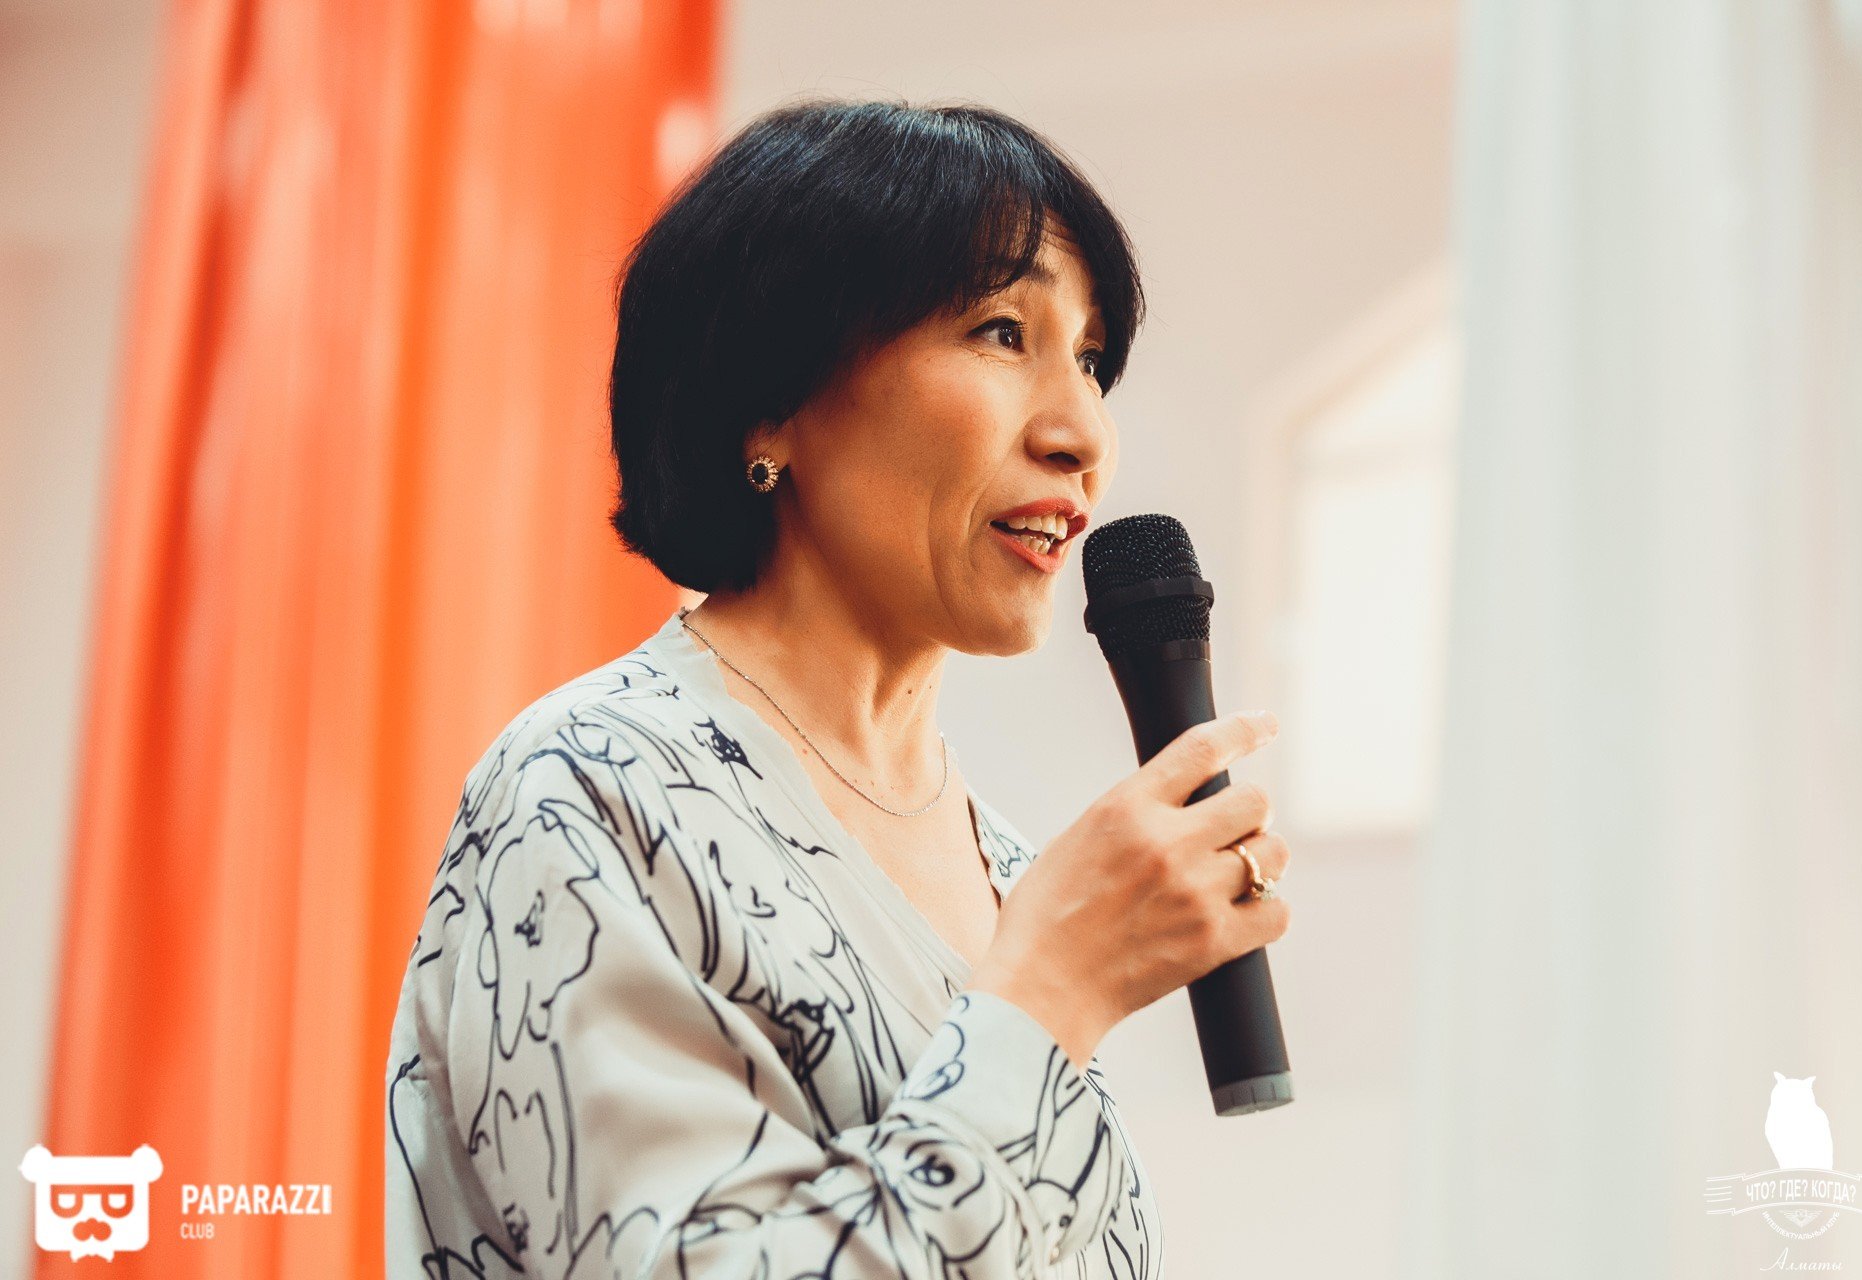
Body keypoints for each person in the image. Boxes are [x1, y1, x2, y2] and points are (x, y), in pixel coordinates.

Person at [384, 96, 1292, 1280]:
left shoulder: (1010, 867)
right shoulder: (587, 789)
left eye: (1089, 357)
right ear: (772, 400)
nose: (1082, 433)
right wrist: (1050, 992)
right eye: (1001, 331)